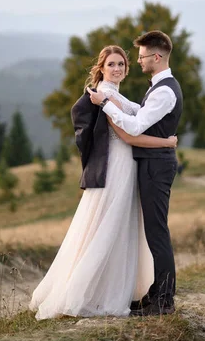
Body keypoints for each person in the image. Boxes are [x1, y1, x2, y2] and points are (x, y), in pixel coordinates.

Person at [29, 45, 178, 319]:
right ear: (101, 68)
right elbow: (130, 135)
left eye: (121, 64)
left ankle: (111, 289)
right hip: (117, 169)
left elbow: (136, 111)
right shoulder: (105, 96)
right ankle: (96, 293)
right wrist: (166, 142)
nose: (117, 69)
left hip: (124, 166)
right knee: (109, 225)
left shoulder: (113, 95)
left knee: (115, 226)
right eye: (111, 64)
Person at [88, 31, 183, 316]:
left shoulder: (165, 91)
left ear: (156, 57)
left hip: (156, 166)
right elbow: (137, 113)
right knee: (154, 231)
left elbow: (134, 127)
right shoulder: (159, 87)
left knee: (157, 233)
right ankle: (157, 293)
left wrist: (105, 104)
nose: (137, 63)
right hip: (152, 162)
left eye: (140, 57)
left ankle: (164, 300)